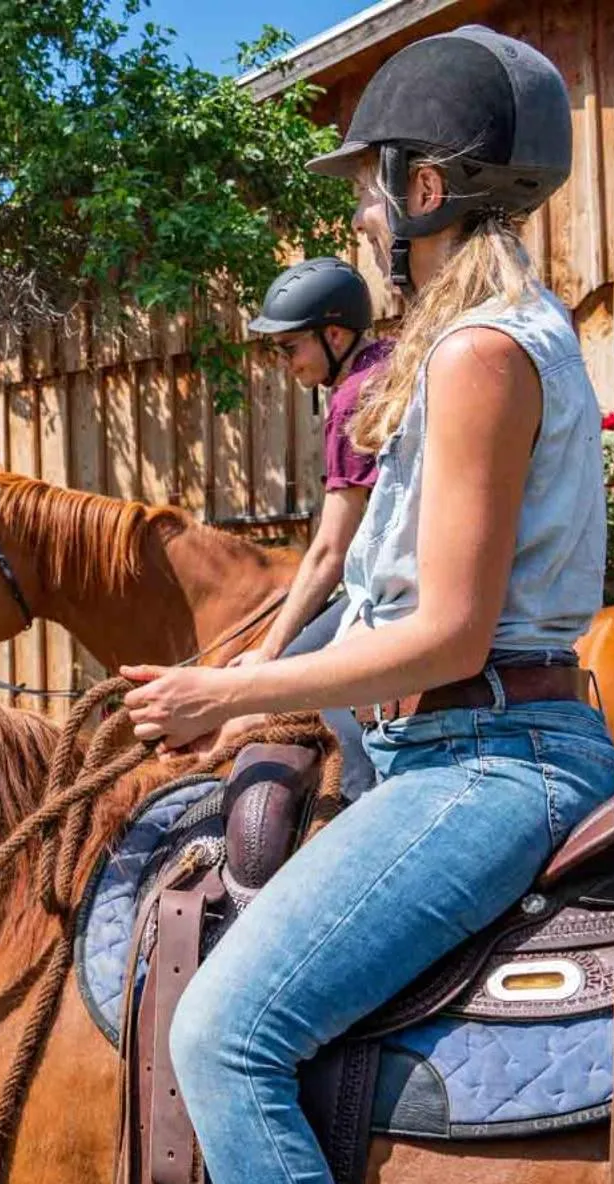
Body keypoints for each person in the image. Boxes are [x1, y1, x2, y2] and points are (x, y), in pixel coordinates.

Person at [117, 26, 614, 1184]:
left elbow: (449, 635)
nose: (354, 209)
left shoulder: (475, 356)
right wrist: (248, 670)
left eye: (364, 182)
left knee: (221, 1037)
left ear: (421, 192)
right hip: (448, 750)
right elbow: (384, 596)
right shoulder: (479, 345)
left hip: (486, 759)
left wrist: (220, 700)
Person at [235, 257, 390, 800]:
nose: (286, 364)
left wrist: (268, 653)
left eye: (291, 348)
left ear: (334, 334)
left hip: (389, 586)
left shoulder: (354, 397)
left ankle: (362, 794)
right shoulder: (388, 364)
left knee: (304, 671)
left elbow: (330, 549)